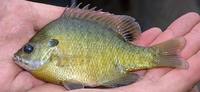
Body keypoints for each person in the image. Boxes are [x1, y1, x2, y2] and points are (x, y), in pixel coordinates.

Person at [0, 0, 200, 92]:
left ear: (51, 48)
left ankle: (156, 56)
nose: (22, 54)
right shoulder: (52, 35)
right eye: (29, 48)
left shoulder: (54, 38)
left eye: (29, 49)